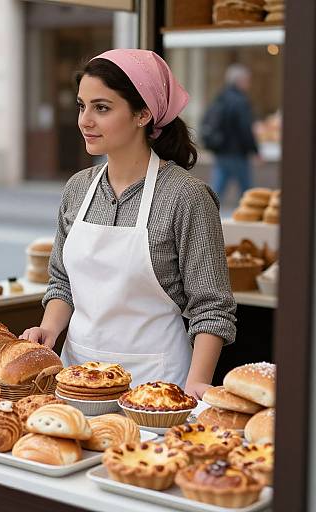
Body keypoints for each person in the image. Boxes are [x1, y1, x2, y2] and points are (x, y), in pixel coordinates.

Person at [20, 49, 236, 399]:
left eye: (101, 108)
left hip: (158, 387)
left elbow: (212, 306)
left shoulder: (187, 196)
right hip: (77, 381)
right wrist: (48, 330)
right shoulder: (77, 189)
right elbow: (62, 282)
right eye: (81, 106)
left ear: (143, 114)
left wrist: (197, 383)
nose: (84, 121)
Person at [202, 63, 259, 202]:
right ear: (240, 81)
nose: (248, 84)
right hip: (237, 152)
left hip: (221, 150)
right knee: (247, 191)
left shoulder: (220, 97)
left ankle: (206, 210)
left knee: (217, 187)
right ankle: (250, 216)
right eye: (247, 80)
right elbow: (245, 128)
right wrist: (254, 150)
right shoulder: (240, 101)